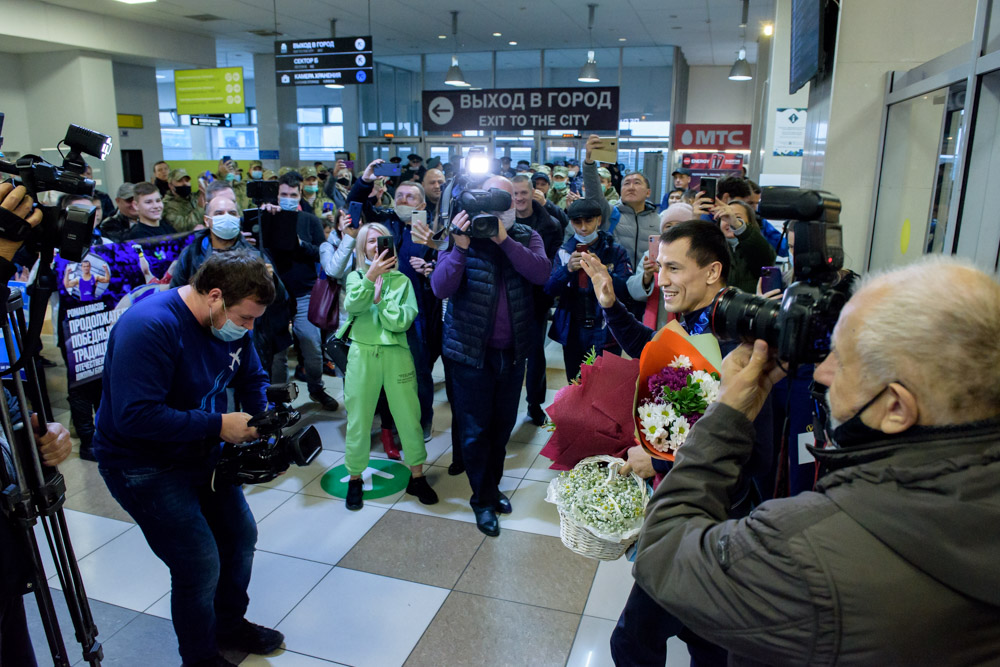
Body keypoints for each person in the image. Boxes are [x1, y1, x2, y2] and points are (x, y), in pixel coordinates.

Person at [633, 256, 1000, 665]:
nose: (822, 372)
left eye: (841, 359)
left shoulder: (805, 552)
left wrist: (726, 417)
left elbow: (663, 553)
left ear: (896, 407)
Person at [581, 219, 774, 666]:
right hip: (689, 515)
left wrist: (660, 462)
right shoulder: (691, 322)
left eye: (673, 268)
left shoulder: (738, 347)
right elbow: (654, 350)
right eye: (659, 266)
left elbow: (755, 456)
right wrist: (610, 305)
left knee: (632, 643)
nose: (661, 279)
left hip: (711, 523)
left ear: (712, 272)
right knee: (704, 639)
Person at [93, 251, 282, 667]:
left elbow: (251, 376)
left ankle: (230, 625)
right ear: (214, 296)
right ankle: (199, 657)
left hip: (200, 451)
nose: (249, 328)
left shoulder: (231, 320)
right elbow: (134, 416)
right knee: (198, 561)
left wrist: (261, 421)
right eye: (245, 318)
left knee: (239, 537)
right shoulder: (150, 326)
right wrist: (218, 425)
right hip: (141, 463)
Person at [430, 175, 550, 537]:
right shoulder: (459, 238)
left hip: (513, 354)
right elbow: (440, 287)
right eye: (489, 201)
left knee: (500, 430)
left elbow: (541, 273)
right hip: (470, 354)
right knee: (474, 432)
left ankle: (491, 488)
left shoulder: (528, 237)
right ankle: (482, 499)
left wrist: (503, 238)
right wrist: (460, 248)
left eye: (508, 200)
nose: (498, 208)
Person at [338, 222, 439, 511]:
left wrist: (381, 301)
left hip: (396, 354)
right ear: (362, 247)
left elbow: (400, 322)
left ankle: (417, 476)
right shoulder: (356, 277)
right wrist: (370, 279)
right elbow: (354, 306)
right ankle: (355, 478)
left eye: (381, 240)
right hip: (362, 354)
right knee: (358, 418)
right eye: (370, 241)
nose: (376, 245)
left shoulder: (403, 281)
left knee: (409, 415)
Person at [269, 172, 339, 411]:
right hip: (274, 297)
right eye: (283, 195)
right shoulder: (267, 219)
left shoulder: (309, 220)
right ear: (277, 196)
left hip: (304, 294)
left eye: (293, 194)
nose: (288, 198)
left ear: (299, 195)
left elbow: (321, 250)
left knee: (312, 348)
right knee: (277, 354)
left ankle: (317, 389)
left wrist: (300, 244)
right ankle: (279, 402)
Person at [544, 198, 631, 382]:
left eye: (588, 221)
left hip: (606, 327)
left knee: (607, 385)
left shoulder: (615, 251)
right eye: (577, 222)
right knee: (576, 385)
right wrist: (566, 270)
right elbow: (549, 291)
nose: (583, 227)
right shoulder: (564, 251)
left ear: (598, 220)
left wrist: (601, 270)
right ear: (571, 222)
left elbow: (625, 291)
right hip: (574, 328)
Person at [511, 174, 563, 425]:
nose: (519, 198)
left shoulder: (549, 224)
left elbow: (551, 265)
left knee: (535, 354)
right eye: (514, 194)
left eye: (523, 192)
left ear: (533, 193)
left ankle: (534, 404)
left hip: (535, 299)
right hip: (507, 298)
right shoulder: (501, 222)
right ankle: (507, 403)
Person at [626, 201, 694, 331]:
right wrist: (647, 276)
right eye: (668, 226)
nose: (673, 230)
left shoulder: (696, 256)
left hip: (688, 322)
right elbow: (633, 292)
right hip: (656, 324)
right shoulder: (651, 254)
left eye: (679, 226)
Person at [162, 168, 205, 233]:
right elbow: (183, 227)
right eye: (180, 181)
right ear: (170, 185)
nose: (185, 183)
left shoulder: (193, 197)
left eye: (187, 181)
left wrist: (205, 175)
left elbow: (215, 183)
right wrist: (200, 208)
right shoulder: (167, 205)